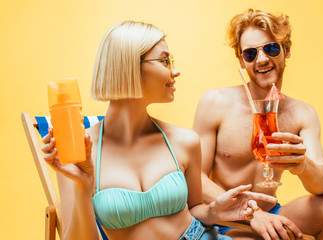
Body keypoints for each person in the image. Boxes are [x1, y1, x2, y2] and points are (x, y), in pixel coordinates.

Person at [41, 21, 277, 240]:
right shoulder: (77, 153)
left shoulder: (184, 141)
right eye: (165, 61)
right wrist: (83, 184)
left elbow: (194, 209)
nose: (175, 71)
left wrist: (214, 210)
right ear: (130, 66)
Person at [193, 9, 323, 240]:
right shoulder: (215, 103)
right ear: (241, 60)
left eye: (270, 48)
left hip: (272, 214)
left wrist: (303, 165)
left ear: (286, 50)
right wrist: (250, 212)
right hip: (225, 221)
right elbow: (195, 178)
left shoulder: (303, 113)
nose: (261, 59)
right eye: (250, 53)